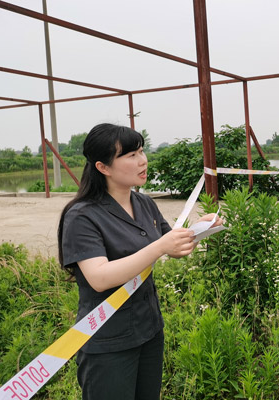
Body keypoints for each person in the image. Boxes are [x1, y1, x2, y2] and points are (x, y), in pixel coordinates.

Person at [57, 123, 221, 400]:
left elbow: (172, 246)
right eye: (131, 155)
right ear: (103, 167)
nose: (143, 160)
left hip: (149, 331)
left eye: (142, 151)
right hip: (108, 340)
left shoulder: (144, 204)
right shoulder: (82, 216)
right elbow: (99, 277)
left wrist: (198, 229)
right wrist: (160, 247)